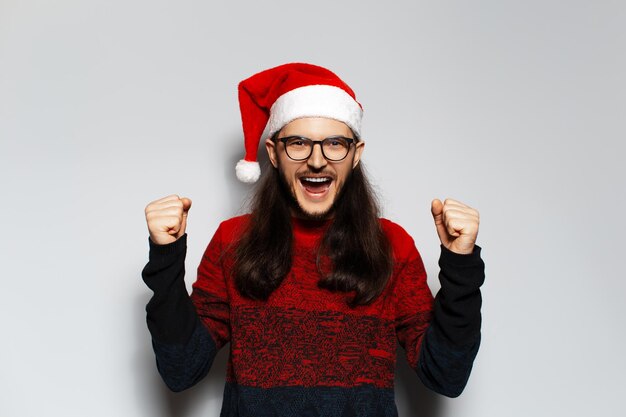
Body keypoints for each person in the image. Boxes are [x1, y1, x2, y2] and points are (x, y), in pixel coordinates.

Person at [141, 62, 485, 417]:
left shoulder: (391, 245)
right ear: (274, 153)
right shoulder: (233, 240)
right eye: (299, 143)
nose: (317, 160)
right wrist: (166, 258)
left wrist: (461, 264)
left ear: (356, 154)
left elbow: (446, 375)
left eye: (335, 144)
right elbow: (181, 369)